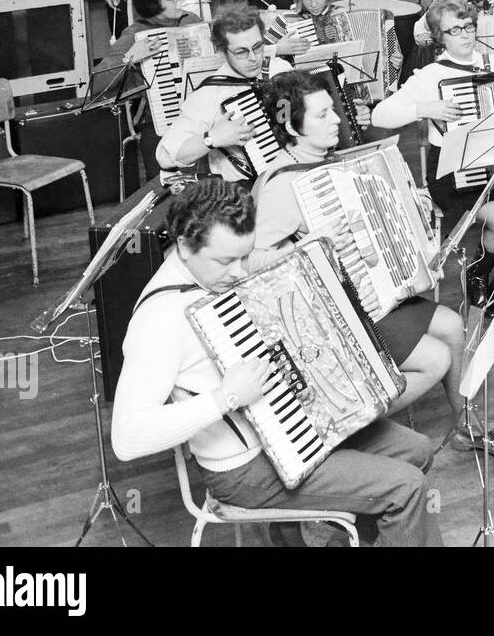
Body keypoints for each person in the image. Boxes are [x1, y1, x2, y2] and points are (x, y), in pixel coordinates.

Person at [111, 178, 444, 547]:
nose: (239, 272)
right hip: (244, 469)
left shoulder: (212, 276)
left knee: (417, 450)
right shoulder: (159, 320)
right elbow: (127, 437)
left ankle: (333, 538)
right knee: (408, 488)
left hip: (295, 426)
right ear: (184, 246)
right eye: (226, 260)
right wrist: (224, 399)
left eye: (244, 256)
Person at [249, 70, 494, 459]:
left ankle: (466, 426)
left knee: (451, 326)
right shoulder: (281, 185)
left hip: (373, 294)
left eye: (332, 110)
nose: (336, 120)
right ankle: (345, 431)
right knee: (435, 359)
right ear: (292, 128)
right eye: (322, 115)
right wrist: (311, 249)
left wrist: (413, 207)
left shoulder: (329, 162)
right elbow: (251, 262)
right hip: (338, 313)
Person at [373, 0, 494, 309]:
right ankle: (478, 273)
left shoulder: (493, 63)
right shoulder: (429, 75)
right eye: (455, 30)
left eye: (469, 27)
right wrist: (423, 109)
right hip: (454, 173)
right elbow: (380, 115)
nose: (466, 35)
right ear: (439, 37)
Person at [156, 5, 297, 182]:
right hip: (245, 187)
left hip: (295, 171)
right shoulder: (209, 95)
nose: (253, 58)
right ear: (223, 51)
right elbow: (165, 155)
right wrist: (212, 138)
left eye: (257, 47)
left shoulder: (280, 69)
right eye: (241, 52)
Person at [94, 0, 204, 182]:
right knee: (166, 186)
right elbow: (97, 84)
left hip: (200, 119)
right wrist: (130, 57)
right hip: (160, 124)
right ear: (152, 3)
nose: (180, 0)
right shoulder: (134, 34)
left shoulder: (191, 20)